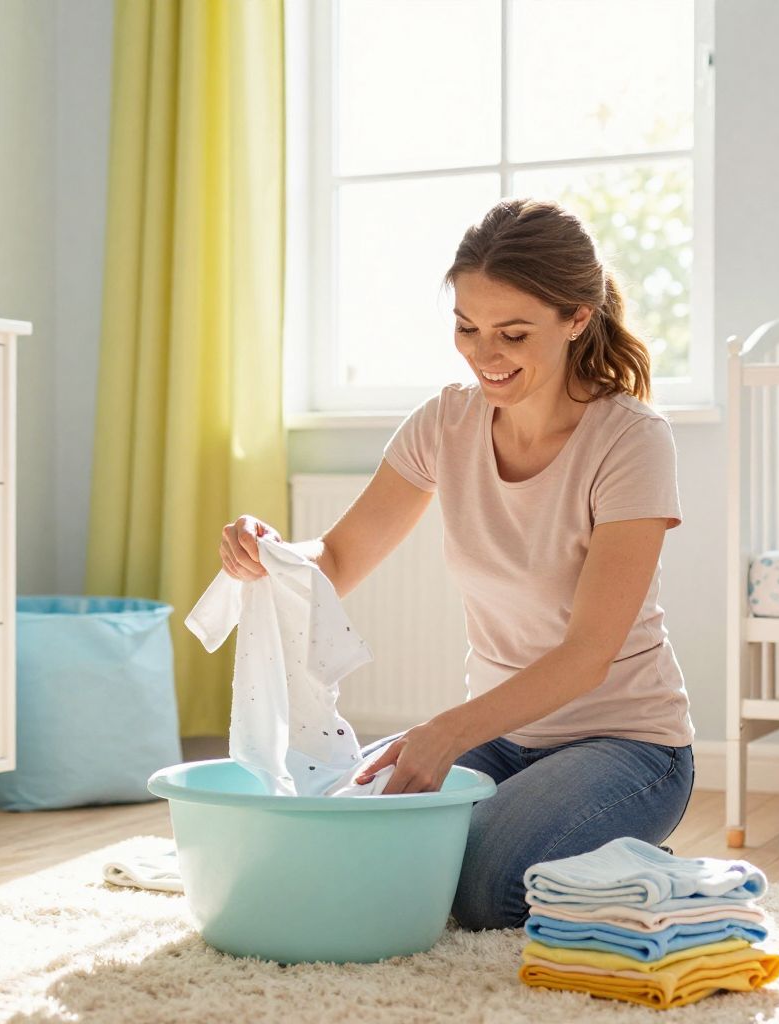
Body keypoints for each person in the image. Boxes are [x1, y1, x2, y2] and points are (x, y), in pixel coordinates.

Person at [218, 198, 694, 929]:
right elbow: (338, 559)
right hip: (500, 736)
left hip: (628, 746)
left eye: (512, 334)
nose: (483, 354)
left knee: (483, 888)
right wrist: (272, 556)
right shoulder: (446, 422)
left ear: (576, 318)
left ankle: (658, 883)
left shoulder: (630, 441)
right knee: (326, 822)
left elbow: (587, 656)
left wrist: (441, 731)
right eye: (467, 328)